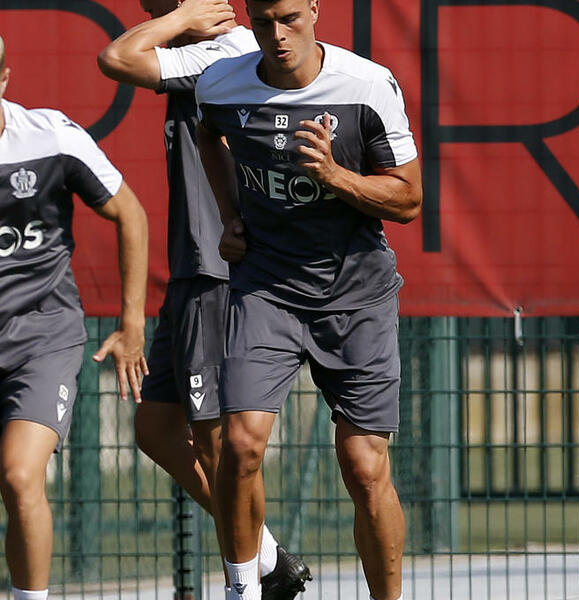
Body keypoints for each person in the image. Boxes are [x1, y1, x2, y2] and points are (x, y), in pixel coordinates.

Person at [194, 0, 423, 598]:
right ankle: (244, 591)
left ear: (316, 8)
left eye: (290, 17)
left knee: (364, 467)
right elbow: (207, 134)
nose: (276, 34)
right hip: (265, 286)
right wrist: (229, 213)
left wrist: (333, 176)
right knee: (239, 444)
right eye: (262, 21)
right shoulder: (220, 84)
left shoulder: (367, 86)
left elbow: (408, 199)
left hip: (357, 296)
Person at [97, 2, 311, 598]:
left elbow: (116, 57)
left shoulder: (220, 53)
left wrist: (181, 15)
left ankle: (250, 585)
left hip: (218, 271)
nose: (144, 5)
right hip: (191, 270)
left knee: (221, 443)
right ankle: (268, 558)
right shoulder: (199, 52)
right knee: (155, 426)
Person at [0, 35, 149, 600]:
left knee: (19, 475)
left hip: (43, 338)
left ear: (4, 80)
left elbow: (130, 214)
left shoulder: (52, 139)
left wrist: (132, 325)